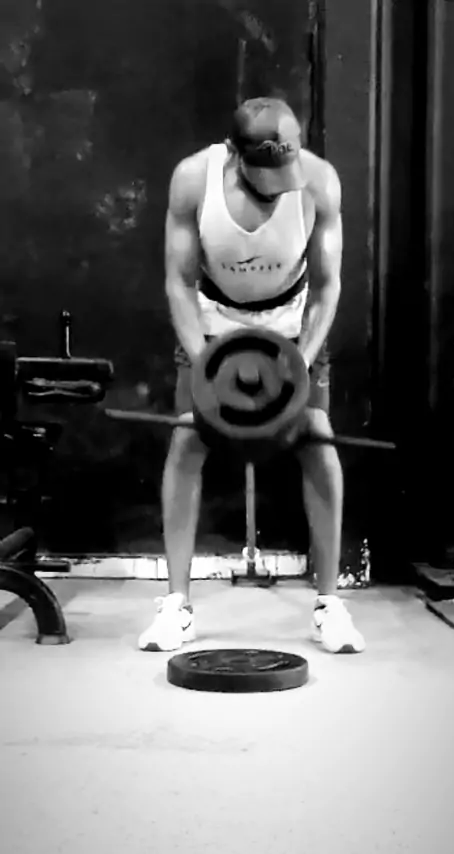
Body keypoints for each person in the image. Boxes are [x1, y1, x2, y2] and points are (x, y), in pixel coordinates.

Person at [139, 96, 365, 654]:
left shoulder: (319, 182)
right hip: (213, 322)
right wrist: (204, 363)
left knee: (318, 441)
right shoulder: (194, 180)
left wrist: (301, 363)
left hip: (293, 325)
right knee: (188, 438)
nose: (280, 187)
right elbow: (178, 282)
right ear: (234, 154)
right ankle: (176, 606)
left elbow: (328, 286)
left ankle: (329, 604)